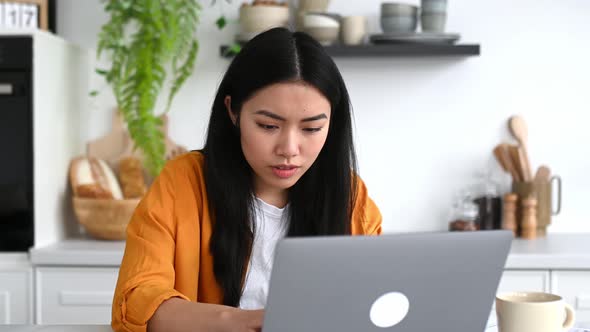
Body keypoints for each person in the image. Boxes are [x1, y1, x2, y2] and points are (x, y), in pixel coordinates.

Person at [111, 27, 382, 332]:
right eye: (268, 125)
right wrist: (241, 321)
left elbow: (375, 306)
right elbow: (136, 302)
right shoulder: (184, 182)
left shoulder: (351, 198)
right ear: (233, 111)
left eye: (311, 129)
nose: (289, 150)